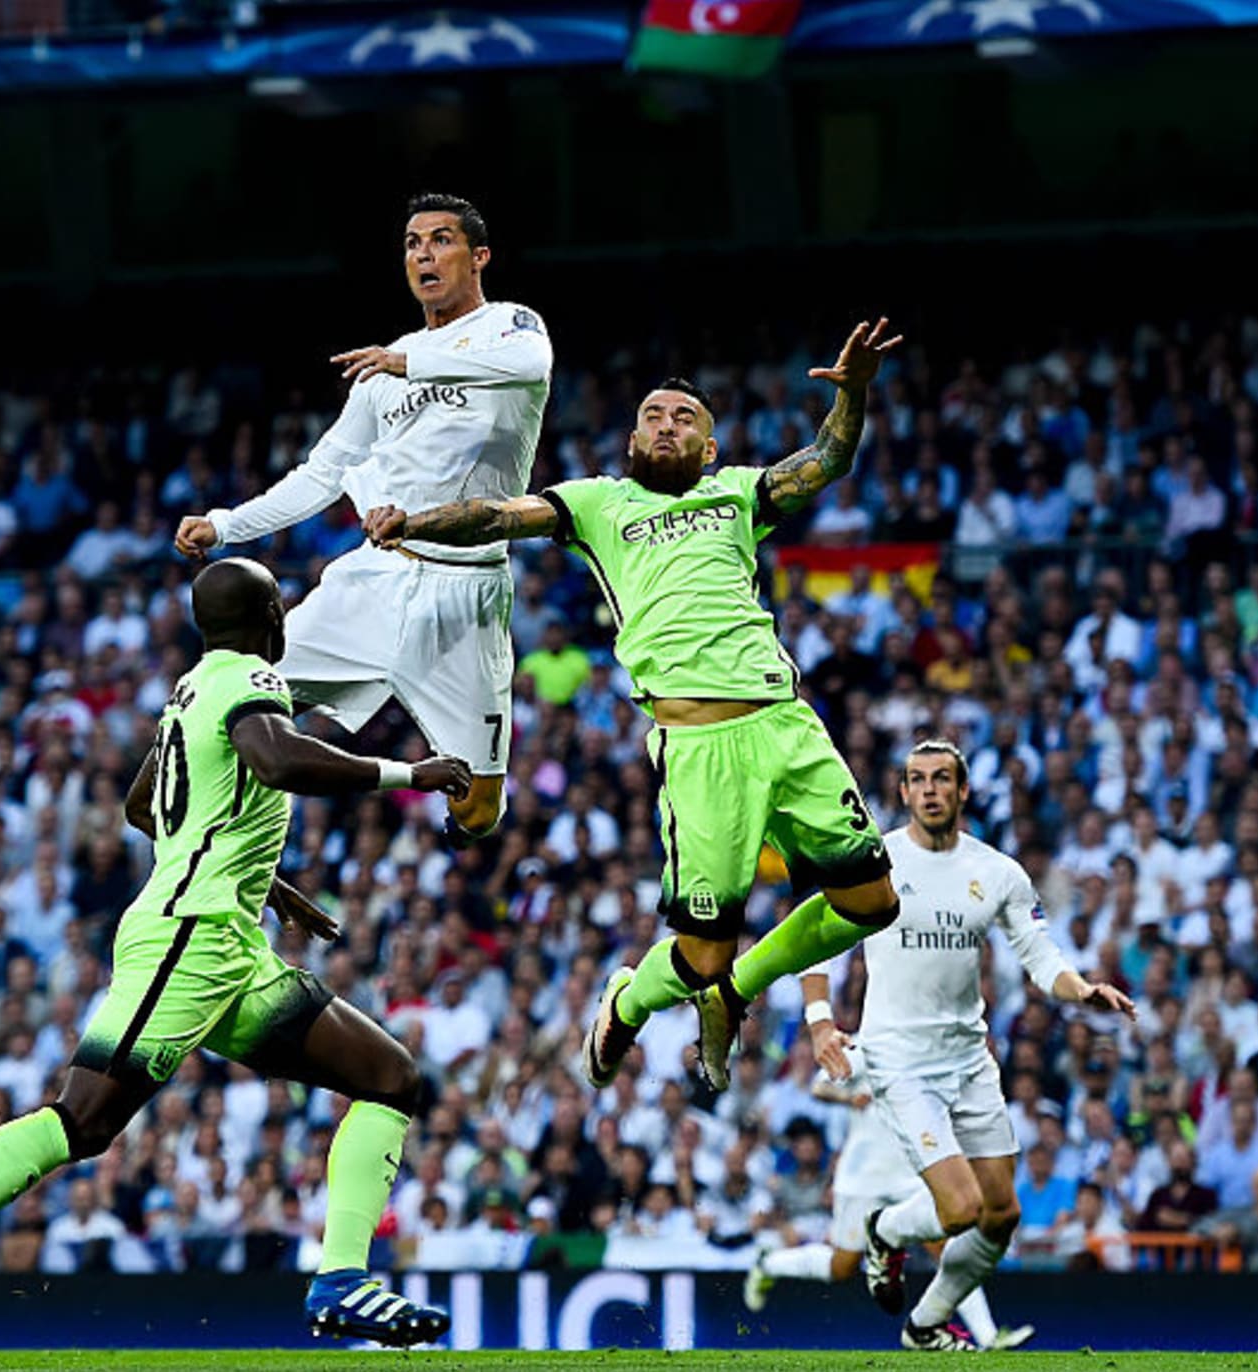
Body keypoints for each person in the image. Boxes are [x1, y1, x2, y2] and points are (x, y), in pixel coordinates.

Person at [0, 559, 474, 1367]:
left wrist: (264, 884)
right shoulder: (250, 679)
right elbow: (277, 761)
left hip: (227, 943)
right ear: (273, 617)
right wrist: (407, 774)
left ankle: (340, 1282)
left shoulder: (190, 691)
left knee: (389, 1076)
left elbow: (146, 805)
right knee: (83, 1120)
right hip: (187, 937)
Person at [364, 319, 911, 1093]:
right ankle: (628, 1002)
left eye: (685, 418)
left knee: (871, 903)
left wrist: (852, 394)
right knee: (698, 955)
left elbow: (826, 460)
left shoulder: (738, 493)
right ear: (630, 439)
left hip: (787, 724)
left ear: (710, 449)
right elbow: (497, 517)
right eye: (653, 415)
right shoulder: (597, 504)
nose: (667, 424)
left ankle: (740, 988)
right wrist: (411, 524)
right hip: (700, 752)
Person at [173, 193, 549, 851]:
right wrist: (226, 524)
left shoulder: (510, 327)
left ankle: (450, 834)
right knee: (229, 697)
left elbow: (531, 368)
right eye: (412, 243)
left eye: (441, 239)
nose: (424, 254)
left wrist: (409, 361)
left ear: (478, 255)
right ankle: (185, 829)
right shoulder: (380, 373)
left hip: (467, 594)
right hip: (374, 579)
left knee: (481, 808)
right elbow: (323, 474)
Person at [809, 741, 1135, 1350]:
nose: (929, 789)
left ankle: (926, 1325)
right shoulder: (873, 862)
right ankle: (883, 1230)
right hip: (899, 1061)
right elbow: (817, 939)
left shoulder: (998, 872)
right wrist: (821, 1022)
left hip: (968, 1058)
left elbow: (1041, 956)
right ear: (904, 792)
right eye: (917, 779)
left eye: (941, 779)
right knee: (958, 1210)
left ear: (962, 792)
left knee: (1001, 1215)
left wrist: (1081, 989)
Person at [740, 1060, 1030, 1352]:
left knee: (944, 1246)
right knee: (842, 1267)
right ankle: (769, 1264)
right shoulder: (862, 1045)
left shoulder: (924, 1046)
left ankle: (989, 1337)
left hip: (911, 1172)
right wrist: (848, 1097)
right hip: (863, 1177)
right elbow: (819, 1087)